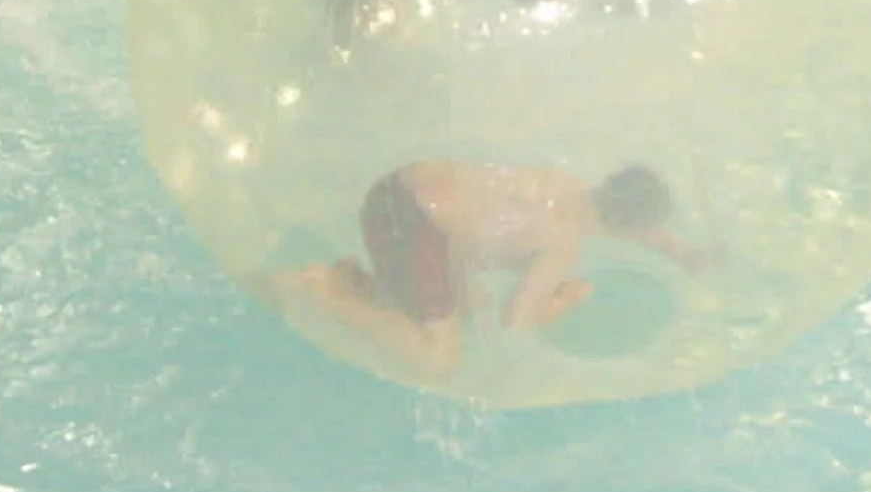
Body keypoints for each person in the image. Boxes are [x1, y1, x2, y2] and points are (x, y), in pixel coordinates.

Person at [286, 161, 709, 378]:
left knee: (464, 304)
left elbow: (634, 220)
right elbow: (515, 325)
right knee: (439, 360)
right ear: (628, 230)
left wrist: (684, 253)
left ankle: (356, 284)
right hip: (414, 222)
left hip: (394, 189)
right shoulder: (563, 245)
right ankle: (322, 292)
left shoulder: (564, 182)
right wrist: (559, 305)